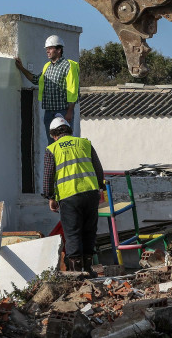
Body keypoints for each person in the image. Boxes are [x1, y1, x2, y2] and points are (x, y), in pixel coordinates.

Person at [42, 117, 104, 275]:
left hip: (69, 197)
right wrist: (101, 188)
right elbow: (98, 168)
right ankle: (89, 269)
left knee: (73, 232)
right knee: (89, 230)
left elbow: (48, 175)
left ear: (53, 135)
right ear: (69, 130)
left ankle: (76, 272)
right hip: (90, 194)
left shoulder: (52, 149)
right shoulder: (84, 143)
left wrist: (50, 197)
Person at [15, 35, 80, 141]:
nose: (47, 51)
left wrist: (69, 111)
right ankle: (53, 158)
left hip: (63, 111)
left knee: (64, 142)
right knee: (52, 143)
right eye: (47, 49)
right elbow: (35, 79)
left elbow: (73, 89)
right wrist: (21, 68)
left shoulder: (68, 65)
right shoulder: (47, 67)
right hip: (49, 112)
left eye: (50, 48)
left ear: (59, 50)